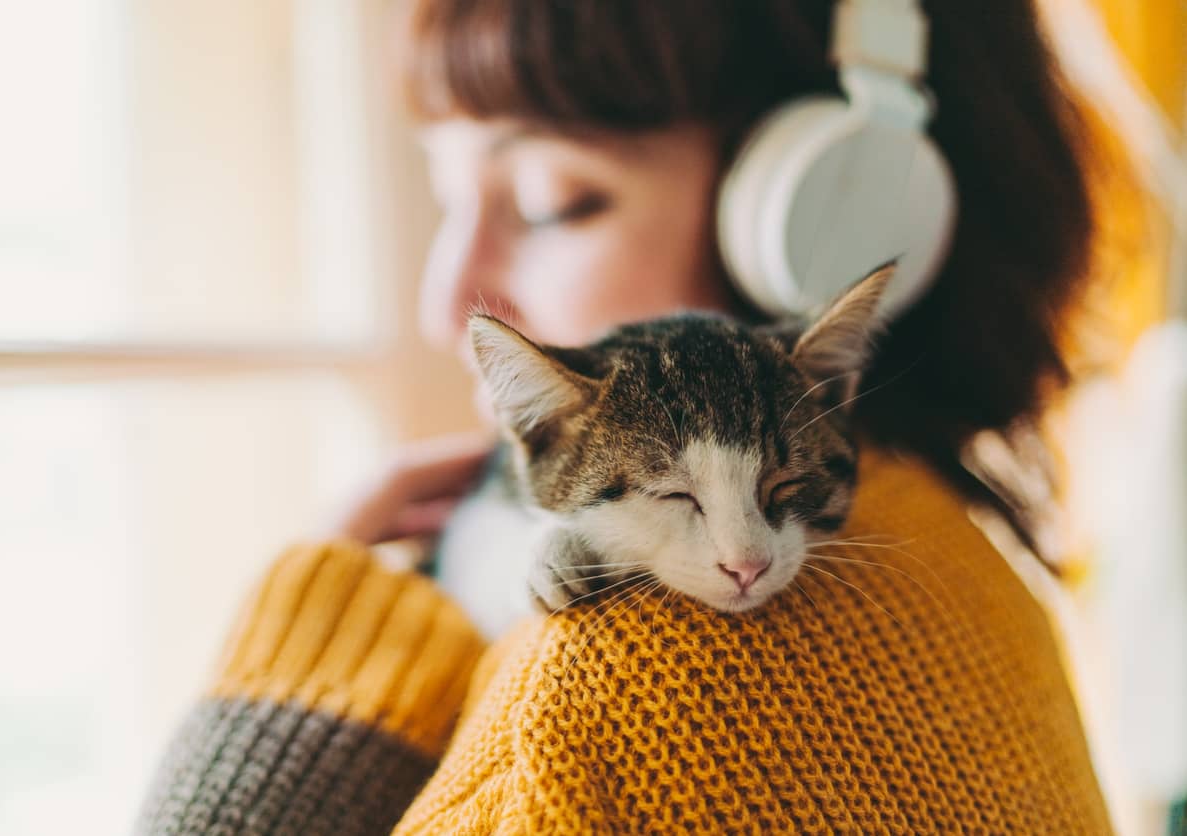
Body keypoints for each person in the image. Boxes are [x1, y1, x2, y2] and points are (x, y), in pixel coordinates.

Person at [135, 1, 1116, 833]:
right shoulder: (950, 557)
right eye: (444, 195)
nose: (446, 303)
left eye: (549, 199)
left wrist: (289, 704)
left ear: (836, 217)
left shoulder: (626, 678)